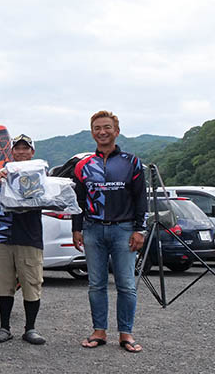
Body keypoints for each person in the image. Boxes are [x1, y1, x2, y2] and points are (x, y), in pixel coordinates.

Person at [72, 111, 146, 353]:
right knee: (96, 284)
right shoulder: (83, 165)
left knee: (126, 284)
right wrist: (76, 228)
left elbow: (140, 198)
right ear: (92, 132)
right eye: (97, 128)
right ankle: (99, 331)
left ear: (116, 131)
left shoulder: (131, 162)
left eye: (106, 127)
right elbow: (77, 201)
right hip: (93, 229)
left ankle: (126, 333)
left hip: (124, 229)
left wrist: (140, 230)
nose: (102, 132)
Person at [0, 134, 46, 345]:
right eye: (17, 148)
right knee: (4, 284)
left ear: (32, 152)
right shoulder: (4, 172)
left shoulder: (40, 172)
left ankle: (30, 329)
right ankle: (4, 327)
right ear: (12, 152)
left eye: (25, 148)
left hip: (30, 238)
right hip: (4, 236)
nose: (21, 152)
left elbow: (48, 195)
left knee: (32, 284)